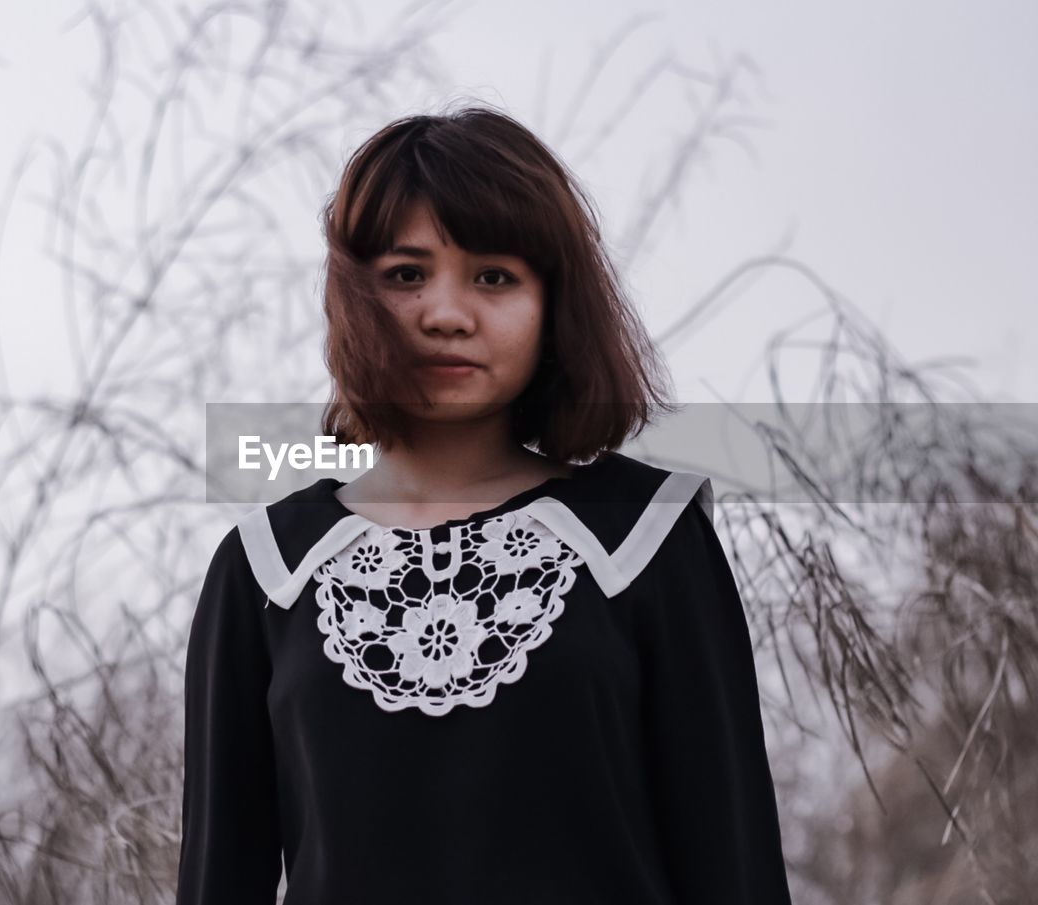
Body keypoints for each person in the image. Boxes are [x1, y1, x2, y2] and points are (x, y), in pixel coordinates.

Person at [175, 104, 794, 904]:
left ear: (553, 304)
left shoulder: (648, 535)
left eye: (494, 276)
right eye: (406, 274)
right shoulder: (266, 567)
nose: (446, 313)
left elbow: (735, 869)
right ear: (351, 297)